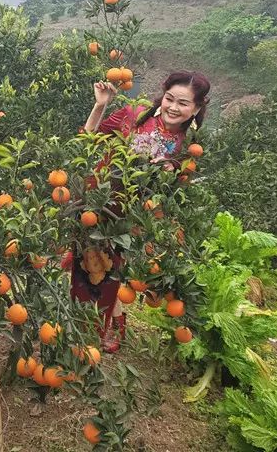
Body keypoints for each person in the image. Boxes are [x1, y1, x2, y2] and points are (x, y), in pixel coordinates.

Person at [66, 71, 211, 353]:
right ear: (163, 96)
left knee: (110, 274)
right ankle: (86, 329)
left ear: (196, 108)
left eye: (183, 103)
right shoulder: (134, 113)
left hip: (128, 219)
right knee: (86, 271)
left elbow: (174, 195)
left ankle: (97, 332)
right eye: (170, 98)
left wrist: (170, 173)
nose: (173, 107)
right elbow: (89, 138)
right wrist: (100, 105)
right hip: (96, 202)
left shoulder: (187, 147)